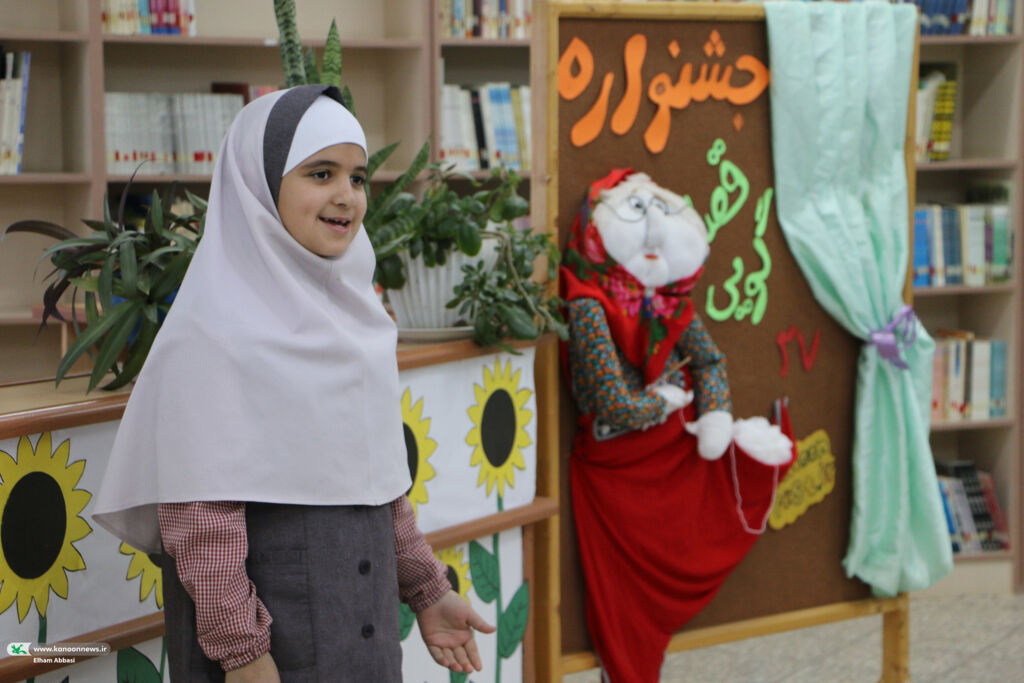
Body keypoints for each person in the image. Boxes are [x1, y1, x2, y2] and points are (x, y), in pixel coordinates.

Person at [93, 84, 494, 681]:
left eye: (358, 177)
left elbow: (377, 483)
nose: (347, 196)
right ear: (258, 184)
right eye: (321, 173)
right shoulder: (211, 332)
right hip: (267, 656)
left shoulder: (357, 320)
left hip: (363, 638)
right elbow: (200, 518)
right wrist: (243, 652)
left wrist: (427, 590)